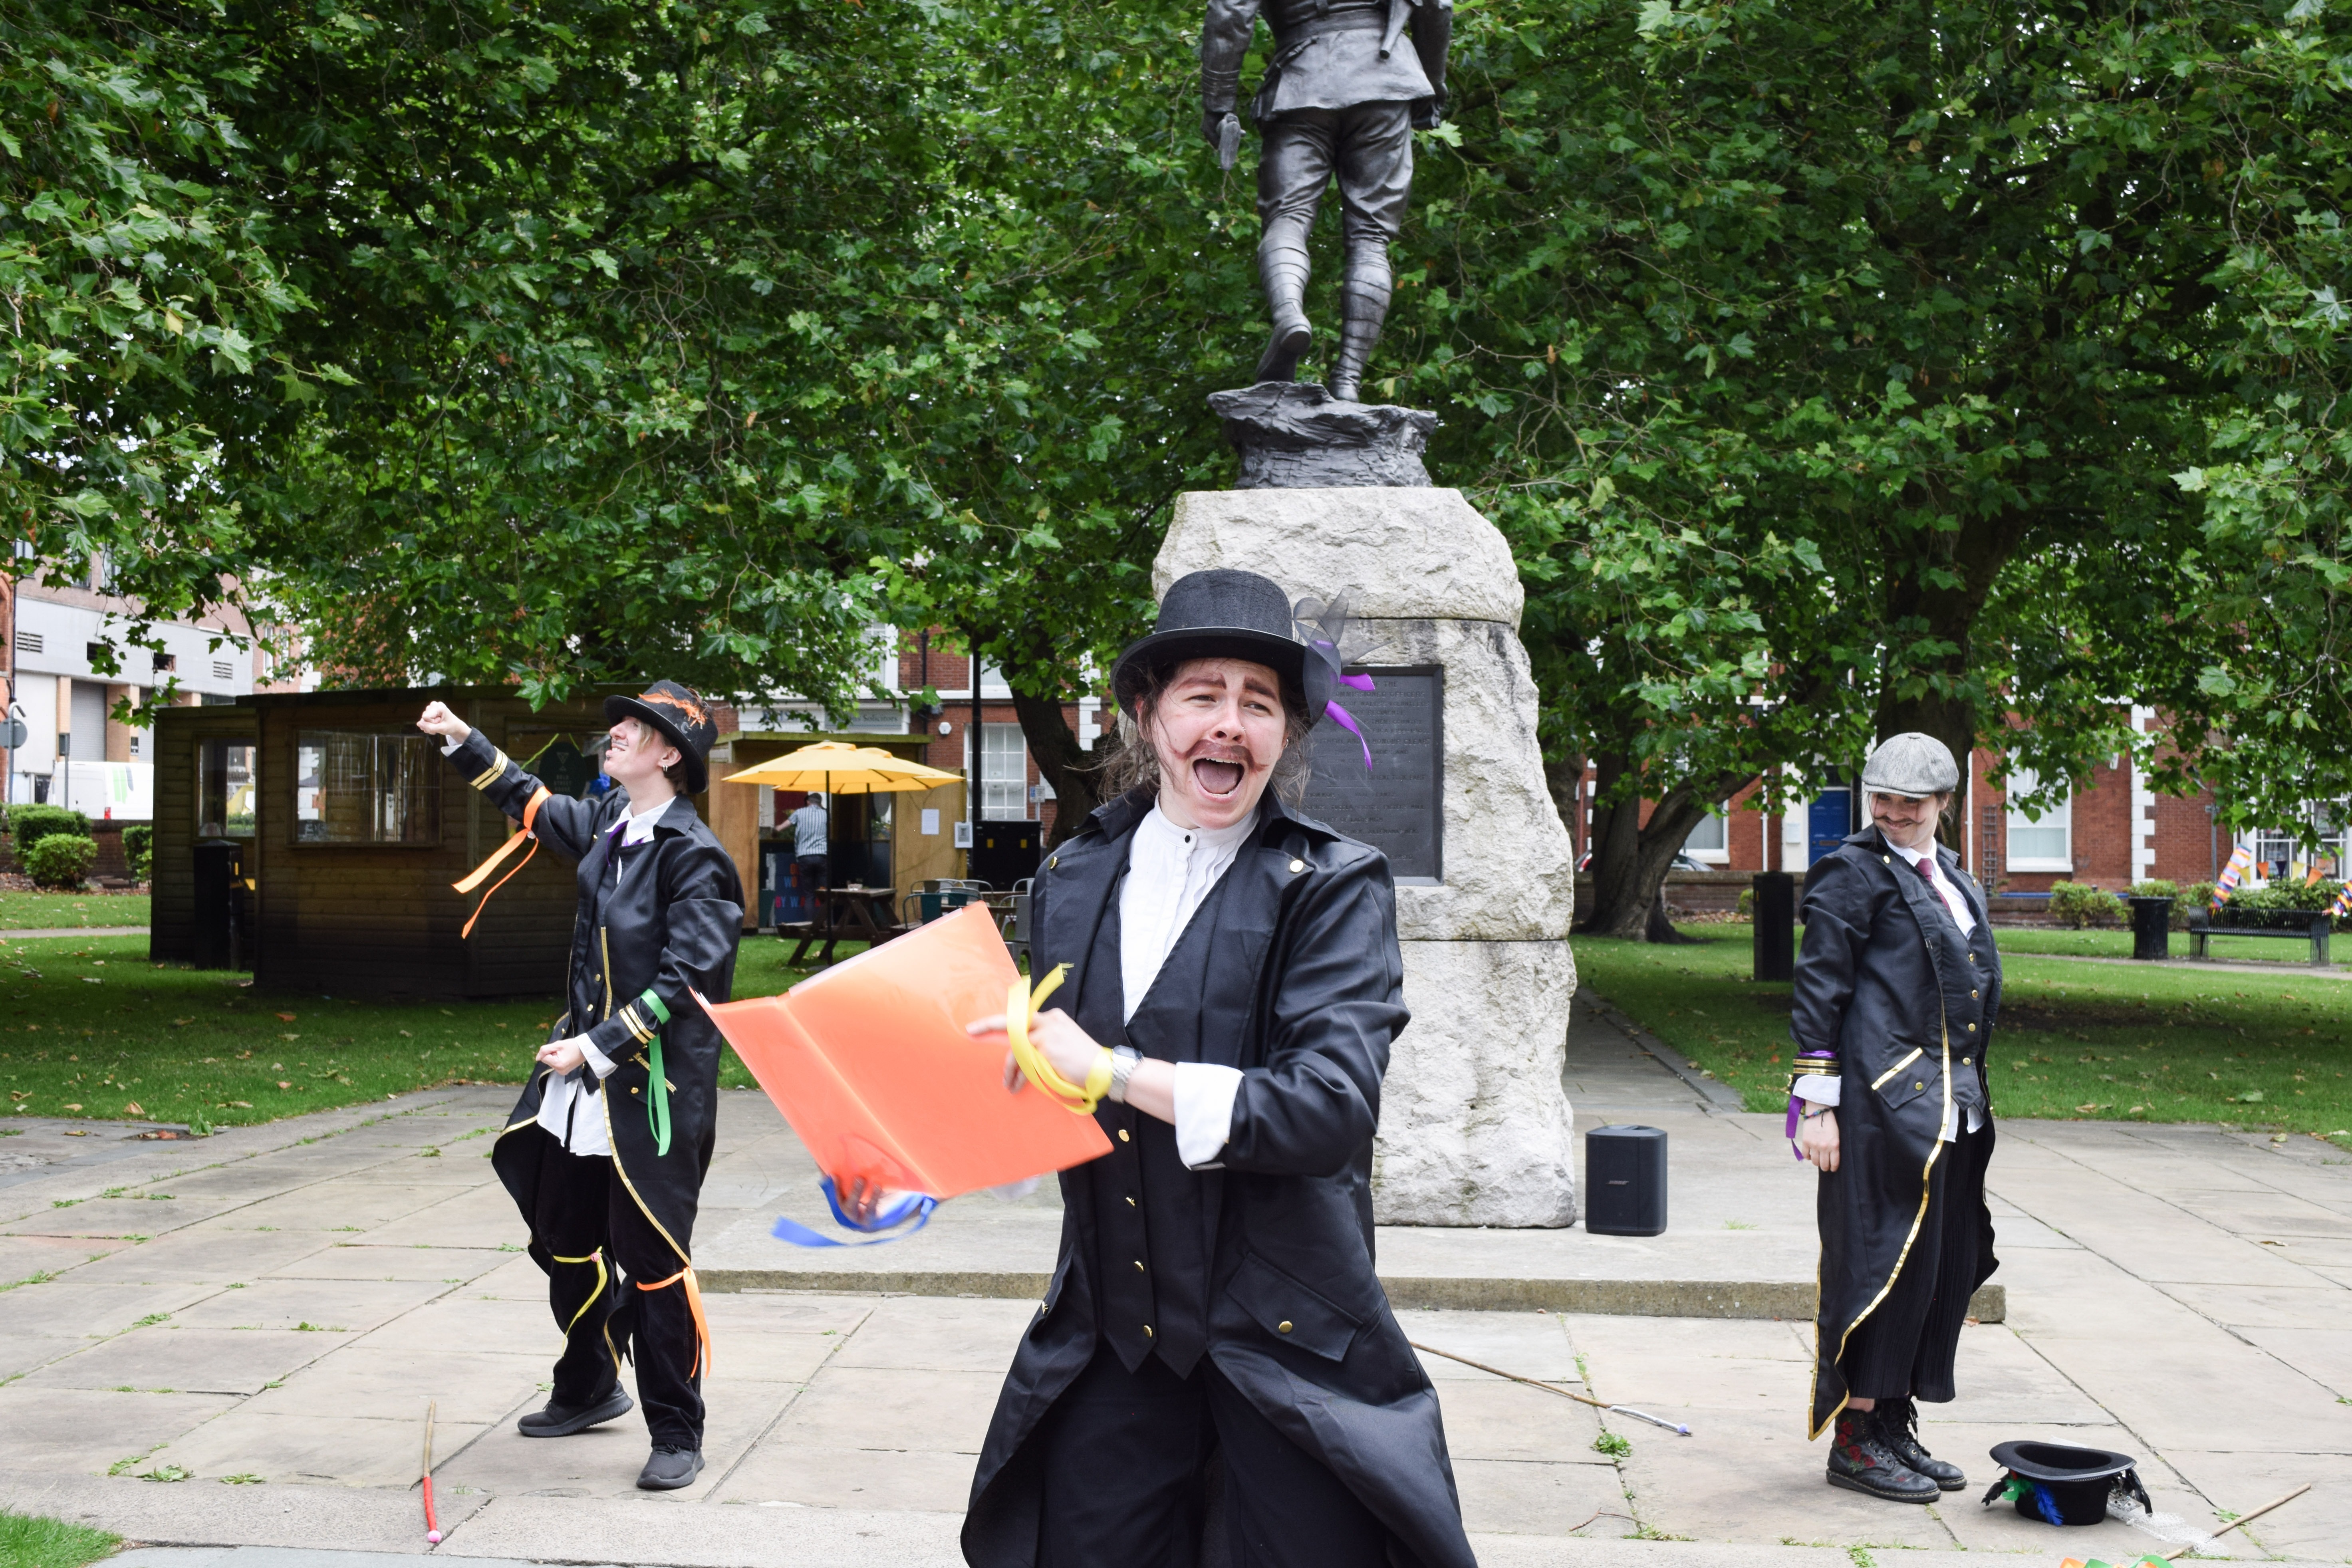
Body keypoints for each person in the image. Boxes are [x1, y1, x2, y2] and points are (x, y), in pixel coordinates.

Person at [957, 569, 1475, 1568]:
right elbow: (1052, 1076)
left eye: (1258, 701)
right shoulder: (1073, 875)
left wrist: (1111, 1067)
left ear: (1285, 732)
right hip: (1114, 1326)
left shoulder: (1332, 885)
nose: (1229, 724)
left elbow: (1325, 1109)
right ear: (1149, 714)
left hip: (1283, 1330)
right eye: (1203, 694)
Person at [416, 682, 743, 1492]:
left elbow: (693, 979)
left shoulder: (693, 855)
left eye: (637, 729)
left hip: (650, 1097)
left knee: (655, 1262)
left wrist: (597, 1046)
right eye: (619, 725)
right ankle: (591, 1381)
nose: (616, 735)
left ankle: (677, 1428)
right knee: (563, 1234)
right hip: (577, 1088)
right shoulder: (606, 823)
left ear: (671, 754)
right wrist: (461, 737)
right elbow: (529, 800)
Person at [1788, 732, 2000, 1503]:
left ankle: (1889, 1424)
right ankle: (1854, 1435)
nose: (1890, 813)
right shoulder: (1850, 872)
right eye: (1880, 799)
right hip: (1877, 1111)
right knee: (1876, 1266)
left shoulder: (1947, 872)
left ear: (1943, 803)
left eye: (1909, 803)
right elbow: (1820, 987)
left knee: (1930, 1268)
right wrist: (1815, 1105)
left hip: (1949, 1109)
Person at [1200, 0, 1451, 401]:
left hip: (1302, 82)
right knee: (1371, 237)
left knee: (1287, 216)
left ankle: (1288, 315)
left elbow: (1230, 11)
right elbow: (1437, 6)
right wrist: (1431, 85)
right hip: (1384, 79)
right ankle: (1348, 381)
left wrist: (1218, 103)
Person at [787, 791, 830, 893]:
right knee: (825, 892)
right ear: (820, 803)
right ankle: (825, 907)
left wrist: (775, 830)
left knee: (809, 894)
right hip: (821, 856)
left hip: (805, 857)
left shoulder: (800, 813)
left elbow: (783, 827)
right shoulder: (826, 814)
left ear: (808, 802)